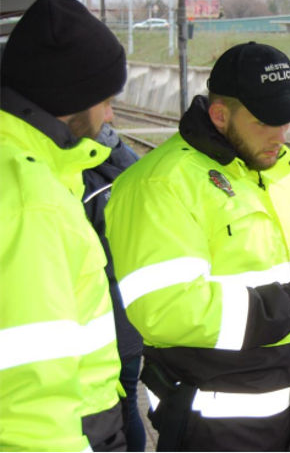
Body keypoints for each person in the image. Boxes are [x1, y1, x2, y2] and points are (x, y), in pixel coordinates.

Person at [104, 42, 290, 451]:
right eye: (264, 121)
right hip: (215, 433)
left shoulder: (285, 180)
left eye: (287, 120)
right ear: (220, 115)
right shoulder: (159, 185)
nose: (280, 136)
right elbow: (163, 310)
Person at [0, 0, 127, 451]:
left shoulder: (32, 170)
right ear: (68, 98)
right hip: (73, 433)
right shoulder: (34, 203)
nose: (110, 115)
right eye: (106, 100)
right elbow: (31, 385)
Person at [84, 124, 146, 452]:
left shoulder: (81, 187)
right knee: (129, 404)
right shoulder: (129, 171)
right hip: (130, 314)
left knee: (106, 414)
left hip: (100, 322)